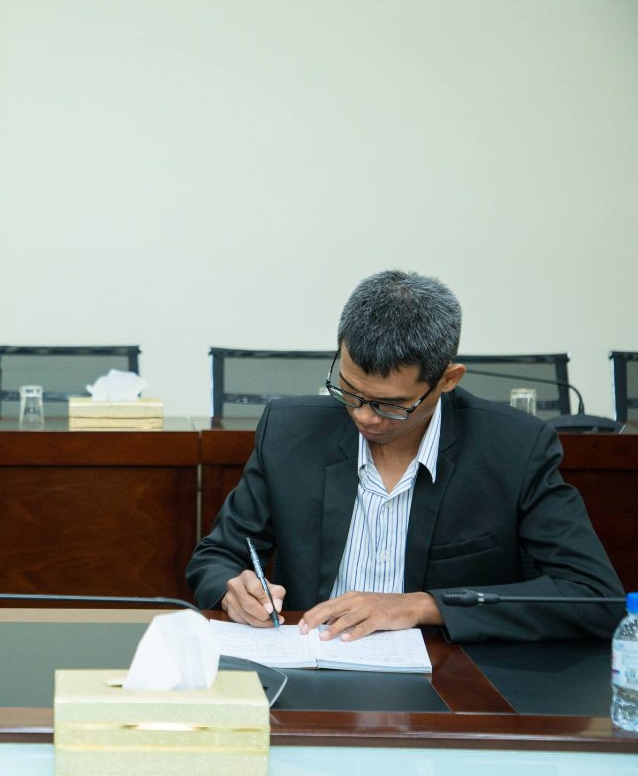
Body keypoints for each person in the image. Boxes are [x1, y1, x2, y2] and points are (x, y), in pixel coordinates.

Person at [187, 270, 623, 643]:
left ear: (448, 380)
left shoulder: (514, 449)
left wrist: (422, 606)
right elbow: (216, 556)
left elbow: (595, 597)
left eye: (390, 405)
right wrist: (232, 589)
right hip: (310, 662)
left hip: (451, 680)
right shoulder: (289, 433)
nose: (363, 416)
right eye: (349, 391)